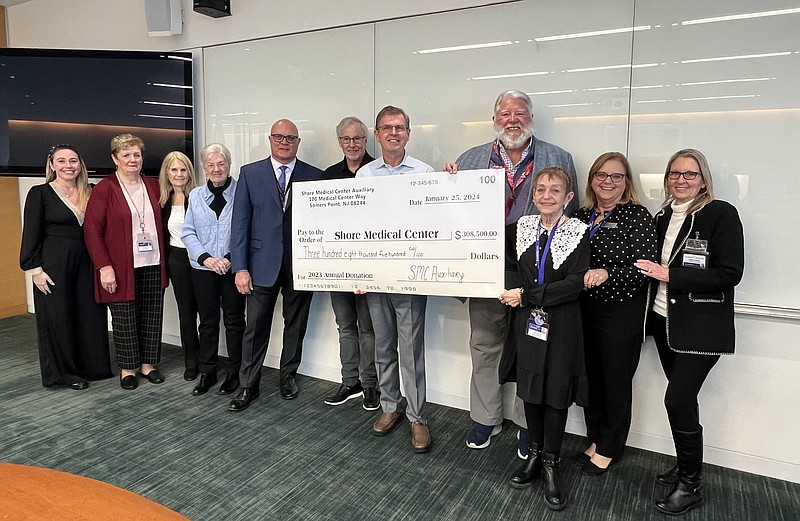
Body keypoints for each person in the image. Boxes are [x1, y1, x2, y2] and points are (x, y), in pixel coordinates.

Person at [444, 90, 579, 456]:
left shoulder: (557, 157)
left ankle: (525, 422)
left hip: (535, 273)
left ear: (531, 118)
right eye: (505, 113)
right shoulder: (470, 159)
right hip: (484, 266)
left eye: (520, 113)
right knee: (485, 344)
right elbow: (449, 215)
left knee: (530, 348)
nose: (512, 119)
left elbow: (573, 218)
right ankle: (485, 417)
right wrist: (446, 185)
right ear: (494, 119)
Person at [635, 149, 744, 515]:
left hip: (701, 327)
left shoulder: (720, 214)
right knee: (683, 401)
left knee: (677, 400)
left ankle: (691, 485)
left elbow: (730, 273)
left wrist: (672, 275)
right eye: (674, 174)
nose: (681, 180)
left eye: (689, 174)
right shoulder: (663, 214)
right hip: (666, 322)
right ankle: (685, 468)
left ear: (703, 178)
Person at [499, 166, 589, 511]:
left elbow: (574, 284)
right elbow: (477, 234)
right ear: (532, 195)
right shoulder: (522, 228)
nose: (546, 196)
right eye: (540, 190)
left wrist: (526, 296)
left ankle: (552, 463)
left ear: (568, 197)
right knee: (531, 390)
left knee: (555, 394)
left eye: (555, 191)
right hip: (528, 323)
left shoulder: (579, 232)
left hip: (562, 323)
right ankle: (534, 455)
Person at [228, 119, 323, 411]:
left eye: (291, 138)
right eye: (279, 137)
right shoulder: (250, 173)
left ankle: (287, 377)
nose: (285, 142)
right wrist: (240, 268)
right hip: (260, 265)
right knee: (255, 328)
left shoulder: (314, 176)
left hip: (300, 265)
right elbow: (240, 224)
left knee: (295, 326)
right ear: (270, 139)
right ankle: (248, 386)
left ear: (298, 142)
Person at [572, 152, 657, 474]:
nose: (608, 181)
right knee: (590, 378)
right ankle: (596, 438)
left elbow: (645, 268)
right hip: (583, 308)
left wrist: (609, 273)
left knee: (615, 381)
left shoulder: (637, 216)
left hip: (620, 310)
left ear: (627, 182)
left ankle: (609, 447)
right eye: (601, 175)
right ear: (592, 179)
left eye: (616, 176)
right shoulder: (580, 216)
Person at [356, 106, 434, 453]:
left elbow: (436, 222)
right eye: (386, 128)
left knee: (411, 349)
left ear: (408, 133)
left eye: (399, 127)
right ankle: (391, 407)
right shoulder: (365, 176)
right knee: (383, 346)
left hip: (411, 277)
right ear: (377, 134)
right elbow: (353, 226)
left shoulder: (424, 172)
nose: (393, 132)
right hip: (376, 277)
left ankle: (417, 417)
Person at [19, 144, 113, 389]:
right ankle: (65, 374)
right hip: (54, 265)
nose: (68, 166)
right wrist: (35, 271)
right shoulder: (39, 193)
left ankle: (93, 368)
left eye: (73, 160)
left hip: (88, 262)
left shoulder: (91, 191)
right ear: (52, 165)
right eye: (61, 161)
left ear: (80, 164)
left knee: (89, 314)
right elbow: (30, 234)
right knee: (58, 318)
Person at [84, 134, 168, 390]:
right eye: (126, 155)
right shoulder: (105, 189)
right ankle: (128, 368)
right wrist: (104, 267)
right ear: (115, 159)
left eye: (137, 155)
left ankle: (148, 365)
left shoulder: (153, 185)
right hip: (119, 267)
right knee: (124, 318)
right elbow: (92, 231)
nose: (133, 160)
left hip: (153, 262)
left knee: (152, 316)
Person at [321, 117, 379, 410]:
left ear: (366, 141)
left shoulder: (378, 173)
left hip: (370, 266)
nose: (352, 144)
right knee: (345, 326)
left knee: (369, 329)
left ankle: (370, 384)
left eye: (357, 139)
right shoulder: (329, 175)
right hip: (337, 266)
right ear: (340, 142)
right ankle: (350, 381)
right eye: (346, 139)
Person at [182, 143, 246, 396]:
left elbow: (247, 231)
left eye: (221, 163)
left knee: (234, 321)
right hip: (203, 269)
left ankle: (235, 372)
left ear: (229, 166)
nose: (216, 169)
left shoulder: (242, 191)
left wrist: (230, 259)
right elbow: (188, 232)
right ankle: (207, 370)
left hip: (234, 269)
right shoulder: (195, 195)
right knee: (207, 322)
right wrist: (207, 258)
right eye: (210, 165)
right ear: (204, 168)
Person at [158, 151, 201, 381]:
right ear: (167, 172)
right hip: (177, 259)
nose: (179, 174)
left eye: (183, 169)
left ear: (190, 172)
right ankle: (191, 362)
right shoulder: (161, 201)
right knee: (186, 314)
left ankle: (208, 360)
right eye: (174, 169)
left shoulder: (200, 196)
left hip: (201, 259)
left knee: (207, 312)